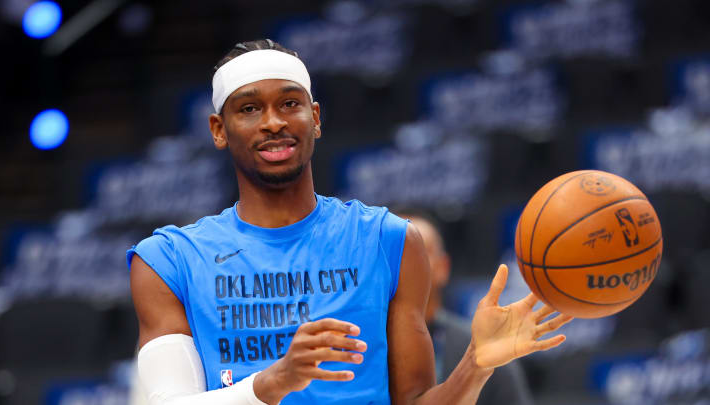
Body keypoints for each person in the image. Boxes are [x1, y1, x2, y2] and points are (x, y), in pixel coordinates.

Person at [127, 39, 573, 405]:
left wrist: (476, 364)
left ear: (315, 118)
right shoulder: (169, 259)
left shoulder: (389, 240)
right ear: (218, 130)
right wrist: (275, 380)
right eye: (248, 109)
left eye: (289, 103)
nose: (274, 122)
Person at [397, 211, 535, 405]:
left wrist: (475, 365)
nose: (402, 264)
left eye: (415, 252)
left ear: (442, 267)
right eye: (393, 253)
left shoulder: (488, 350)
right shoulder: (354, 345)